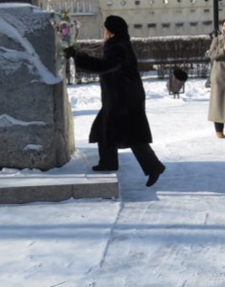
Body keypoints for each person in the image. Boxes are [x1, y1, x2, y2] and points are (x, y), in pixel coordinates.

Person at [63, 16, 165, 187]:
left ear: (111, 32)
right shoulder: (120, 44)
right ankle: (108, 162)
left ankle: (154, 167)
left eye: (105, 29)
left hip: (124, 99)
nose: (103, 32)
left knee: (133, 135)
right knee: (104, 128)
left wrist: (77, 56)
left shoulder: (117, 47)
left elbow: (104, 66)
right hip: (121, 96)